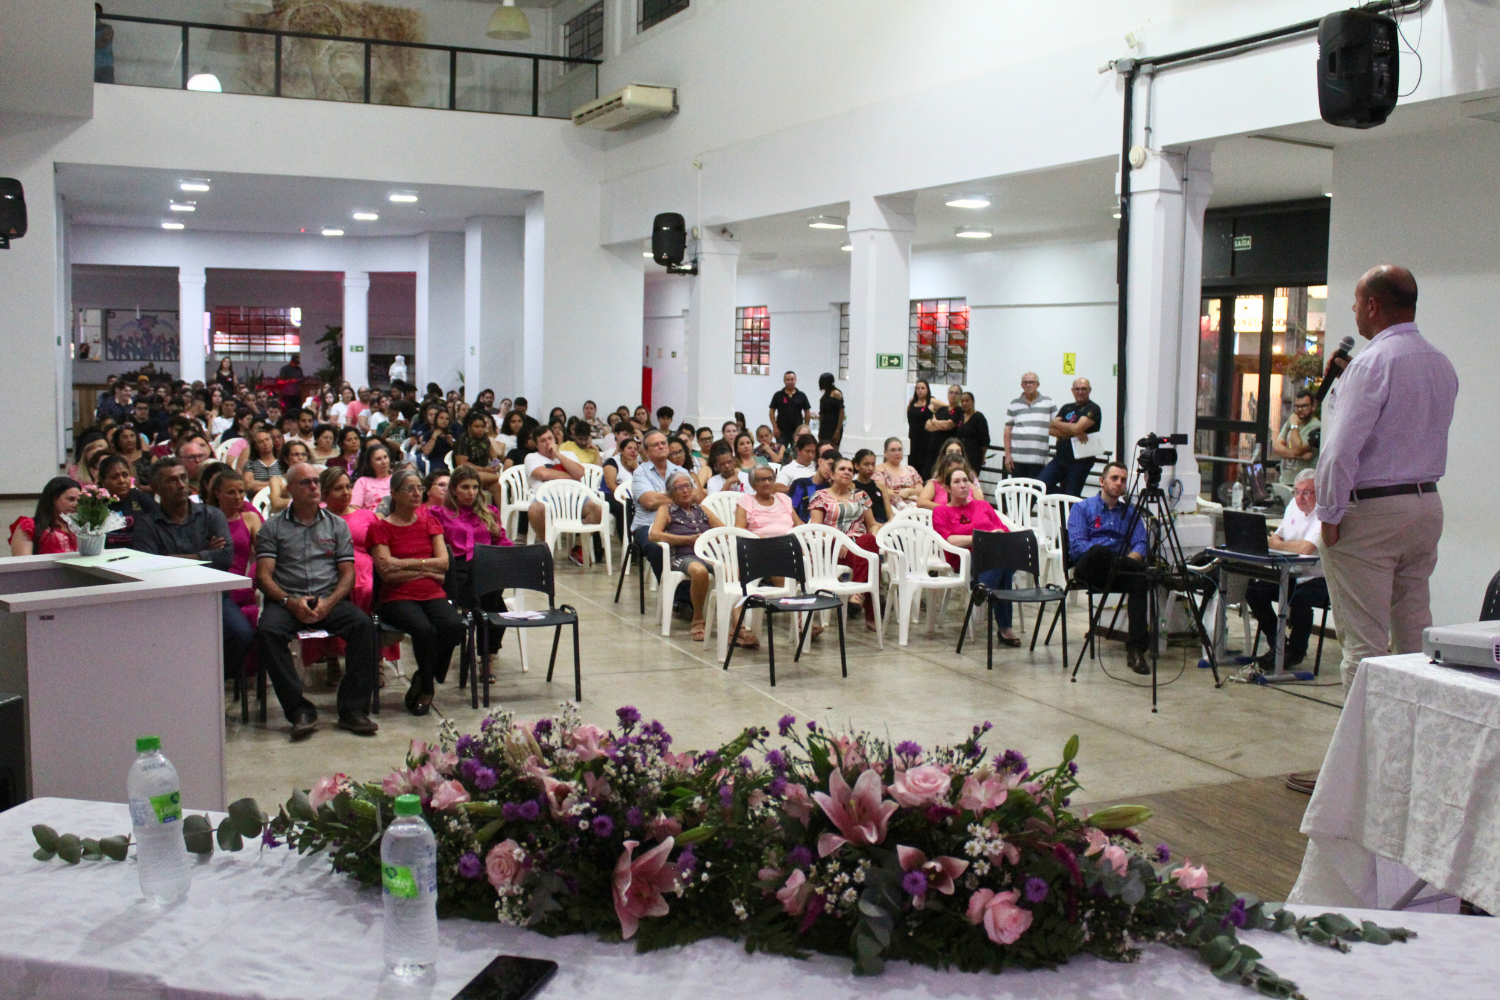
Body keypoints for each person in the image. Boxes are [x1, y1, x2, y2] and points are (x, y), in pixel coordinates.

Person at [1316, 264, 1457, 693]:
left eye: (1357, 302)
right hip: (1425, 506)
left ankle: (1363, 756)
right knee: (1416, 638)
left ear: (1373, 306)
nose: (1354, 310)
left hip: (1373, 512)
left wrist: (1329, 513)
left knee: (1364, 647)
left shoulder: (1371, 363)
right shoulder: (1440, 363)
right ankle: (1414, 741)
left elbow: (1340, 450)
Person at [255, 462, 379, 740]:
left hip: (328, 598)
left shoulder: (336, 526)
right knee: (267, 632)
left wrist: (330, 602)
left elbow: (348, 575)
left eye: (316, 481)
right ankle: (300, 710)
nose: (313, 486)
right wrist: (290, 601)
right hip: (287, 601)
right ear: (289, 490)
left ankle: (352, 710)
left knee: (363, 626)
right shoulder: (272, 528)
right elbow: (264, 577)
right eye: (305, 483)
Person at [134, 458, 253, 679]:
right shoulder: (147, 524)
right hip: (168, 601)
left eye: (183, 478)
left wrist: (171, 558)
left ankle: (213, 681)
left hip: (212, 596)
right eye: (172, 481)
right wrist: (205, 554)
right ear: (157, 488)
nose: (181, 485)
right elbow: (150, 568)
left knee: (242, 634)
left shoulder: (211, 515)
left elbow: (225, 557)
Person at [370, 469, 466, 716]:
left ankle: (423, 676)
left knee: (454, 626)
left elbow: (443, 563)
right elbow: (387, 573)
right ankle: (427, 688)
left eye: (419, 488)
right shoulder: (380, 528)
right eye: (409, 488)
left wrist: (404, 563)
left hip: (432, 593)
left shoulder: (430, 523)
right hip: (396, 596)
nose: (416, 493)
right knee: (424, 630)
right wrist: (426, 568)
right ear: (394, 494)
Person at [1066, 461, 1150, 674]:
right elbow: (1077, 547)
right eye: (1114, 478)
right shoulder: (1082, 508)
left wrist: (1129, 559)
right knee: (1098, 551)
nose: (1119, 484)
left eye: (1123, 480)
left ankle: (1136, 650)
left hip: (1120, 570)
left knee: (1140, 579)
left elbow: (1141, 543)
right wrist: (1115, 558)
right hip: (1090, 568)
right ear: (1102, 481)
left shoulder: (1131, 513)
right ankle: (1123, 563)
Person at [1244, 469, 1328, 673]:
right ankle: (1279, 645)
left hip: (1318, 578)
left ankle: (1296, 652)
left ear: (1320, 492)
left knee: (1300, 599)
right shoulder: (1293, 506)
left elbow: (1307, 549)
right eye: (1297, 492)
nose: (1300, 498)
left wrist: (1281, 545)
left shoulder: (1325, 512)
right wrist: (1284, 545)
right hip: (1289, 574)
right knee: (1254, 591)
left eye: (1307, 493)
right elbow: (1277, 538)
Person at [932, 465, 1019, 645]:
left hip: (994, 555)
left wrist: (998, 536)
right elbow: (949, 540)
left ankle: (983, 587)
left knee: (1003, 559)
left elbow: (1003, 529)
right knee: (1004, 566)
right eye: (957, 482)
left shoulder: (983, 505)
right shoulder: (941, 511)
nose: (963, 485)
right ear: (947, 488)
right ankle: (1005, 628)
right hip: (966, 559)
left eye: (965, 480)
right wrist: (982, 539)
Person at [648, 471, 725, 641]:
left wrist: (714, 541)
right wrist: (686, 540)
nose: (685, 490)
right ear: (670, 493)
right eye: (680, 487)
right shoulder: (666, 510)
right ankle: (698, 618)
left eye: (688, 485)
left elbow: (723, 530)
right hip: (683, 556)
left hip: (708, 554)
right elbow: (653, 535)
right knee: (699, 571)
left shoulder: (702, 509)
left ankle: (736, 624)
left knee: (731, 571)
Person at [808, 456, 881, 630]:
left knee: (870, 543)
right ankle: (870, 614)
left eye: (850, 470)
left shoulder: (860, 495)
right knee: (873, 560)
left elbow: (872, 524)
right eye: (842, 469)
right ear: (831, 474)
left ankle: (857, 592)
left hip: (859, 545)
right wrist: (840, 539)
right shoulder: (821, 496)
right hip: (833, 548)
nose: (847, 472)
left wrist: (877, 535)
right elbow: (816, 529)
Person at [206, 468, 263, 674]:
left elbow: (263, 553)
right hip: (215, 586)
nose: (238, 497)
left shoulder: (250, 518)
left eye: (241, 491)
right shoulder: (206, 518)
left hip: (243, 586)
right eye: (231, 492)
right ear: (217, 494)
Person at [525, 427, 601, 562]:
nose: (548, 443)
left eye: (550, 438)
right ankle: (546, 545)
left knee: (598, 509)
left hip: (574, 498)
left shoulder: (568, 455)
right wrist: (570, 476)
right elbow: (544, 473)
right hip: (546, 499)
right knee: (534, 510)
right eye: (543, 441)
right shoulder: (532, 457)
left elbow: (580, 473)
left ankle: (578, 548)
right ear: (536, 445)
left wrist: (558, 454)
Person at [630, 430, 694, 583]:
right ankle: (673, 595)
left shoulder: (680, 470)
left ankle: (688, 595)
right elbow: (649, 502)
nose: (660, 446)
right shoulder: (641, 472)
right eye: (655, 444)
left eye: (663, 443)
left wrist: (661, 496)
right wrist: (678, 496)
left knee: (698, 544)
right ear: (646, 451)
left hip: (678, 522)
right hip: (647, 525)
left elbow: (695, 497)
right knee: (657, 548)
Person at [1039, 378, 1102, 497]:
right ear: (1072, 391)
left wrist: (1066, 427)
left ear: (1089, 390)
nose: (1080, 392)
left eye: (1084, 389)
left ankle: (1070, 504)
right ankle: (1066, 498)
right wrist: (1073, 432)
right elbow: (1050, 428)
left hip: (1080, 461)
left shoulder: (1093, 408)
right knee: (1040, 485)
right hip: (1060, 458)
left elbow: (1077, 428)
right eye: (1077, 389)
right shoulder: (1066, 408)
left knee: (1071, 497)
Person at [1004, 372, 1055, 481]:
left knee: (1035, 493)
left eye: (1031, 382)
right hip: (1017, 460)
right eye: (1025, 382)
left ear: (1037, 384)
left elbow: (1058, 424)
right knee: (1018, 492)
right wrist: (1007, 455)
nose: (1028, 385)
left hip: (1038, 459)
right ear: (1021, 385)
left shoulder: (1048, 402)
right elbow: (1008, 430)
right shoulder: (1014, 404)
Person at [10, 477, 81, 555]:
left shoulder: (82, 527)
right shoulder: (30, 527)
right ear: (53, 499)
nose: (76, 505)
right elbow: (23, 564)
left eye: (79, 501)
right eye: (71, 499)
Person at [97, 454, 153, 549]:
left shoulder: (139, 497)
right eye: (115, 477)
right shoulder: (95, 503)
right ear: (102, 481)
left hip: (138, 553)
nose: (122, 481)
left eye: (125, 475)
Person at [1273, 389, 1320, 486]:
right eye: (1297, 406)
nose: (1300, 410)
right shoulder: (1292, 420)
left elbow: (1297, 448)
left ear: (1313, 406)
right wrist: (1298, 455)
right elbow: (1276, 446)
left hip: (1303, 485)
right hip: (1285, 481)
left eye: (1304, 406)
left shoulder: (1315, 427)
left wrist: (1294, 426)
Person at [872, 436, 923, 513]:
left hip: (914, 504)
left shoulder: (910, 469)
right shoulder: (879, 470)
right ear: (885, 453)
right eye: (893, 450)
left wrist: (908, 491)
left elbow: (921, 490)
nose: (897, 453)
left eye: (900, 449)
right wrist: (900, 494)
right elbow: (881, 490)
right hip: (893, 508)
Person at [452, 410, 501, 491]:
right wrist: (483, 469)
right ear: (469, 427)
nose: (480, 429)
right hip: (467, 473)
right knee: (500, 479)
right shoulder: (463, 439)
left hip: (486, 472)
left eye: (482, 427)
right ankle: (503, 478)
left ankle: (499, 504)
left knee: (497, 486)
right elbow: (462, 464)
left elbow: (493, 454)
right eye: (477, 426)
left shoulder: (484, 438)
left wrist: (495, 466)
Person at [769, 371, 812, 448]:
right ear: (784, 381)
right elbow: (771, 412)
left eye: (792, 379)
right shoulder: (778, 395)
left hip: (797, 431)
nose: (790, 382)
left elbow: (807, 412)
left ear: (795, 380)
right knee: (780, 453)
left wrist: (806, 428)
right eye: (787, 380)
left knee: (797, 451)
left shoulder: (801, 395)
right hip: (781, 431)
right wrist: (775, 427)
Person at [266, 440, 311, 512]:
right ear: (286, 459)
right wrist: (303, 501)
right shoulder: (277, 480)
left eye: (304, 454)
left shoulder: (314, 478)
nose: (301, 458)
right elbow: (276, 503)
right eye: (296, 454)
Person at [953, 391, 991, 473]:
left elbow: (985, 441)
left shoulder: (979, 417)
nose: (964, 403)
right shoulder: (960, 416)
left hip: (974, 456)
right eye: (962, 401)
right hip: (960, 455)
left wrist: (982, 457)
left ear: (973, 402)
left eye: (967, 401)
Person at [852, 449, 893, 524]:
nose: (870, 468)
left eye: (873, 464)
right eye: (866, 464)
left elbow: (890, 513)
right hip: (866, 525)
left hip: (885, 524)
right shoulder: (852, 486)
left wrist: (889, 524)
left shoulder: (880, 485)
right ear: (857, 466)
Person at [349, 441, 394, 510]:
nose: (384, 462)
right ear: (370, 463)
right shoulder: (362, 481)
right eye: (378, 459)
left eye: (385, 457)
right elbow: (355, 508)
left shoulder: (397, 478)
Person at [906, 380, 937, 478]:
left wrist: (936, 421)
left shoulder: (932, 401)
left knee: (925, 466)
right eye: (918, 388)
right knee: (912, 465)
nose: (920, 391)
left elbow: (948, 407)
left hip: (926, 439)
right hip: (913, 438)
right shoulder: (912, 402)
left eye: (923, 388)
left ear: (927, 390)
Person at [109, 422, 154, 487]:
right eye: (125, 437)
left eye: (132, 436)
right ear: (118, 441)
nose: (129, 440)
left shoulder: (149, 456)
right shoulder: (115, 459)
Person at [243, 429, 282, 494]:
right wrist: (275, 484)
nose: (265, 443)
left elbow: (285, 484)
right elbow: (248, 485)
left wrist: (257, 484)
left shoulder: (282, 463)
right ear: (255, 446)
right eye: (260, 441)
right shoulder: (250, 464)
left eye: (267, 439)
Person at [817, 373, 844, 449]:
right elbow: (822, 413)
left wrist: (837, 430)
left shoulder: (836, 393)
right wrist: (820, 429)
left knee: (833, 449)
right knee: (822, 448)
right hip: (825, 426)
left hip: (834, 426)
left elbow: (841, 412)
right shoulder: (825, 395)